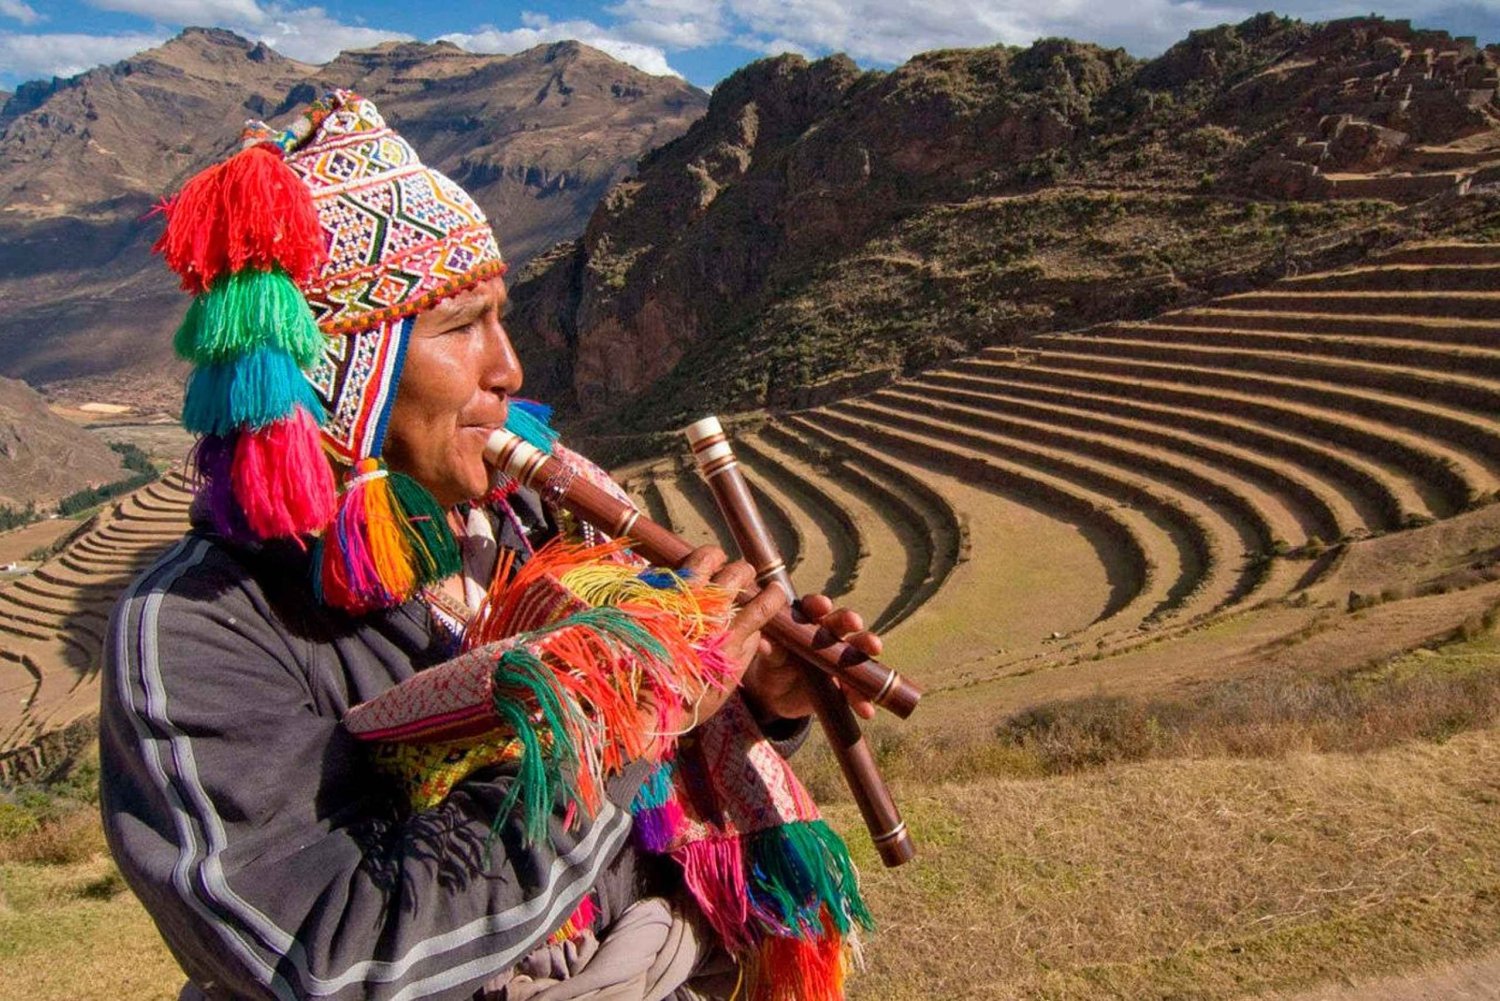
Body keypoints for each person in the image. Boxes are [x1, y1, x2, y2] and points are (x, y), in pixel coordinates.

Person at [99, 91, 881, 1001]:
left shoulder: (537, 526)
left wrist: (757, 698)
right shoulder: (198, 630)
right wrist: (633, 706)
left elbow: (649, 803)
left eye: (502, 318)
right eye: (461, 326)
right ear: (349, 375)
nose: (508, 369)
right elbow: (324, 957)